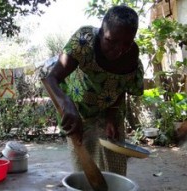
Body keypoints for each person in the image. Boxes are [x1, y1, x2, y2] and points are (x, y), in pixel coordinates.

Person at [42, 5, 144, 176]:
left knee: (114, 165)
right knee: (83, 163)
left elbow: (122, 87)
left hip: (111, 109)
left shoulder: (131, 55)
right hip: (78, 109)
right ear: (100, 32)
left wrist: (111, 116)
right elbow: (52, 79)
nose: (119, 50)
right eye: (111, 41)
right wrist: (66, 103)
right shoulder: (83, 41)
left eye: (126, 43)